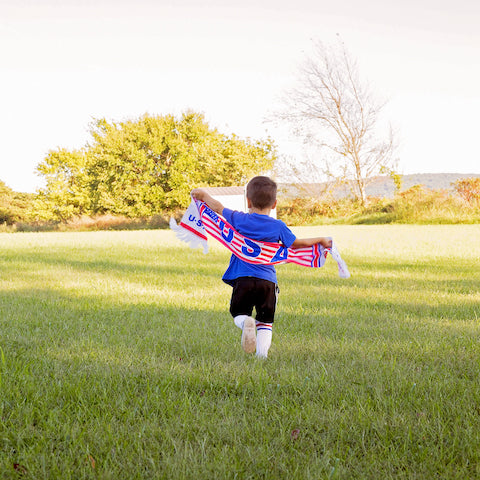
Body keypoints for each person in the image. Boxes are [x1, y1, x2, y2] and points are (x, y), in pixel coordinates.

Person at [191, 176, 332, 359]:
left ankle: (245, 323)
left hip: (243, 279)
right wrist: (320, 239)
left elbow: (217, 207)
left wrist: (204, 195)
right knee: (265, 322)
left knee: (238, 313)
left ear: (248, 201)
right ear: (274, 204)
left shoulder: (239, 219)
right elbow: (296, 244)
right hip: (268, 282)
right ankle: (261, 357)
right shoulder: (278, 226)